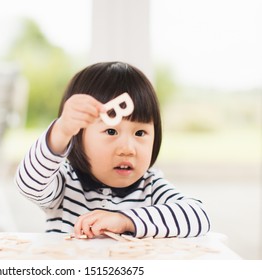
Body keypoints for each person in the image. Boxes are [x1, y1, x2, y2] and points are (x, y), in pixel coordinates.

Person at [14, 61, 210, 239]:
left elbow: (198, 216)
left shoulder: (150, 187)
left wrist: (125, 220)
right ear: (78, 136)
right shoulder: (65, 184)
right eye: (111, 130)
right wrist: (61, 130)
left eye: (140, 133)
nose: (127, 149)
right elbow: (29, 184)